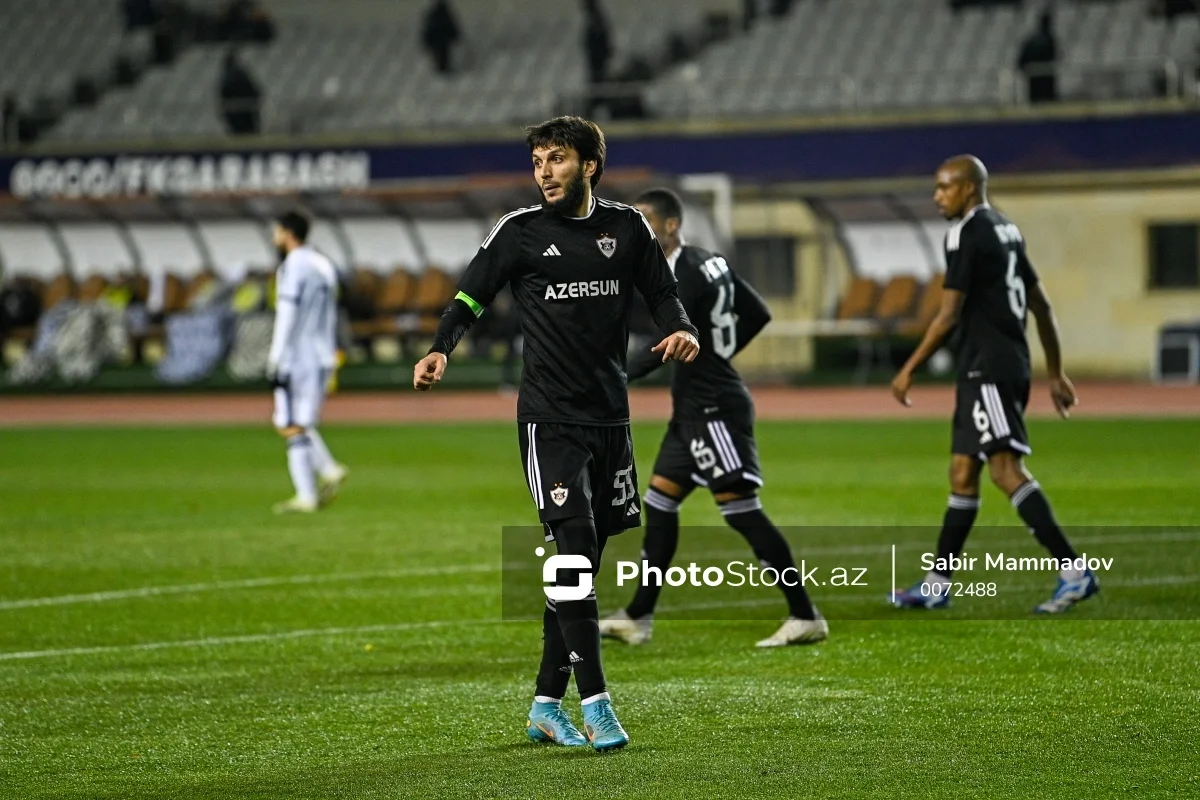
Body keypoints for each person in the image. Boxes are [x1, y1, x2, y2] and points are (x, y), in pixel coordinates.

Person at [412, 116, 700, 751]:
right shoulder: (519, 233)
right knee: (571, 552)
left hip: (610, 418)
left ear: (589, 166)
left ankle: (546, 703)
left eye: (557, 159)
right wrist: (441, 349)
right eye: (539, 160)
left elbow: (664, 293)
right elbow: (469, 295)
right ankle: (597, 705)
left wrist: (684, 330)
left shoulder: (626, 228)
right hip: (549, 419)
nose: (544, 170)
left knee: (581, 567)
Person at [599, 188, 828, 648]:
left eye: (645, 220)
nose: (637, 229)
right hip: (693, 407)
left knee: (742, 510)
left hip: (713, 409)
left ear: (670, 226)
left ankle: (806, 615)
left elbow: (662, 346)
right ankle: (639, 615)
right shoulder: (710, 261)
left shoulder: (681, 275)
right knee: (661, 505)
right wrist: (717, 352)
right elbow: (757, 312)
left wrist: (614, 378)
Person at [889, 155, 1096, 614]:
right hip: (992, 366)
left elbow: (948, 314)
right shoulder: (1007, 229)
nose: (937, 196)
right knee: (962, 473)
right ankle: (937, 583)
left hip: (989, 368)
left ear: (968, 188)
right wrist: (1055, 370)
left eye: (944, 188)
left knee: (1004, 470)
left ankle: (1075, 572)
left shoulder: (966, 233)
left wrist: (910, 367)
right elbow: (1041, 305)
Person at [267, 210, 348, 515]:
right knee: (301, 421)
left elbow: (287, 314)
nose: (274, 237)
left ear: (287, 233)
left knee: (287, 422)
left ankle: (323, 473)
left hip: (296, 355)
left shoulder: (293, 265)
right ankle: (311, 492)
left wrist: (276, 357)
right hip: (322, 353)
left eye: (276, 231)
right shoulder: (323, 263)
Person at [1017, 12, 1058, 104]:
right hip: (1041, 80)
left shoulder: (1033, 39)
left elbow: (1021, 60)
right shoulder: (1046, 39)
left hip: (1038, 80)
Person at [218, 49, 261, 135]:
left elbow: (223, 97)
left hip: (237, 113)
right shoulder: (241, 74)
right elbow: (256, 91)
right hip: (246, 112)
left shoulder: (228, 77)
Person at [422, 0, 460, 75]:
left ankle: (441, 68)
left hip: (437, 40)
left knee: (440, 54)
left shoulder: (432, 15)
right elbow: (451, 26)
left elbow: (428, 28)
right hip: (443, 40)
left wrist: (427, 39)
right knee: (444, 54)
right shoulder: (446, 15)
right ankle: (443, 68)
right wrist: (455, 35)